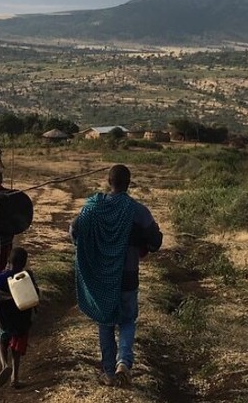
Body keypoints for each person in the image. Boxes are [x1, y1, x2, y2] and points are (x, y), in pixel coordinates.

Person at [70, 164, 162, 388]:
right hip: (128, 276)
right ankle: (124, 363)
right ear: (128, 183)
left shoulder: (92, 208)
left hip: (101, 277)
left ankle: (109, 373)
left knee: (105, 322)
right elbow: (156, 241)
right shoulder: (137, 211)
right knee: (128, 320)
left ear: (108, 181)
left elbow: (74, 232)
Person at [0, 247, 37, 389]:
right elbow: (36, 294)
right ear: (24, 262)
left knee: (2, 342)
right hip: (22, 320)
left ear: (9, 261)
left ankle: (4, 365)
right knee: (16, 350)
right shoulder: (28, 276)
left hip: (4, 320)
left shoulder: (1, 277)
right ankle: (15, 378)